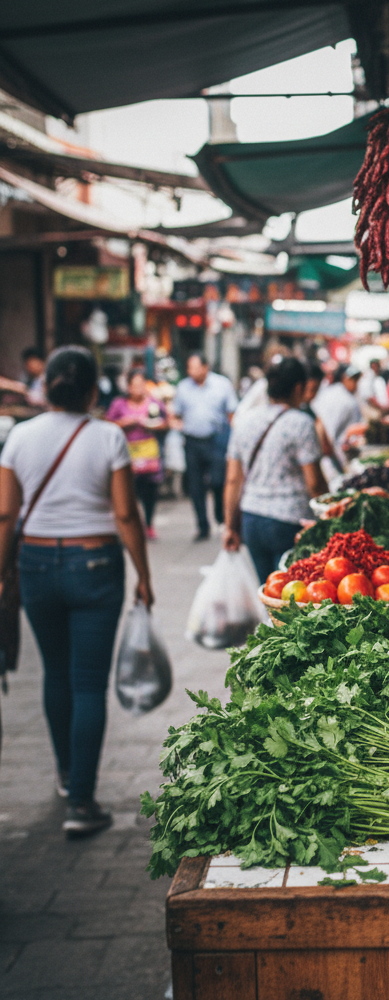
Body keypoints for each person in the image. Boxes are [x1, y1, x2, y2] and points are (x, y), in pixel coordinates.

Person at [0, 346, 154, 837]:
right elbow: (126, 514)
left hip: (37, 565)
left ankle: (67, 777)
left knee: (56, 674)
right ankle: (82, 803)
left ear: (46, 387)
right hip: (96, 566)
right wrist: (144, 575)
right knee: (89, 682)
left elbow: (6, 514)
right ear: (93, 390)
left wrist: (3, 570)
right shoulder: (108, 436)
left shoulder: (20, 437)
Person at [222, 357, 327, 584]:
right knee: (288, 595)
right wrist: (328, 517)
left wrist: (230, 526)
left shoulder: (245, 422)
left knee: (268, 590)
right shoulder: (301, 423)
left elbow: (232, 480)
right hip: (288, 522)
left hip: (252, 519)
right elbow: (315, 483)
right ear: (299, 387)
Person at [172, 353, 237, 542]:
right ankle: (202, 525)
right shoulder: (183, 388)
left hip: (216, 439)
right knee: (195, 485)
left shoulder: (222, 385)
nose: (192, 371)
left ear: (206, 367)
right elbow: (176, 414)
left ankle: (219, 514)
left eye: (195, 367)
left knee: (218, 481)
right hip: (192, 441)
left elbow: (232, 413)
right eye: (189, 368)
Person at [106, 368, 169, 539]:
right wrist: (126, 422)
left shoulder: (154, 404)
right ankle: (130, 525)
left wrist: (152, 425)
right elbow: (108, 424)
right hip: (127, 454)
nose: (138, 389)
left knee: (149, 492)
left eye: (141, 385)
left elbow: (166, 423)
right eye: (135, 385)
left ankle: (148, 524)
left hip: (149, 454)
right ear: (128, 387)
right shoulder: (119, 404)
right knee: (128, 491)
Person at [313, 364, 362, 462]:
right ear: (344, 378)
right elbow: (328, 431)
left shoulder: (331, 391)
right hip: (335, 455)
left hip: (327, 452)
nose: (355, 383)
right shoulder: (346, 400)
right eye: (352, 379)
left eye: (357, 379)